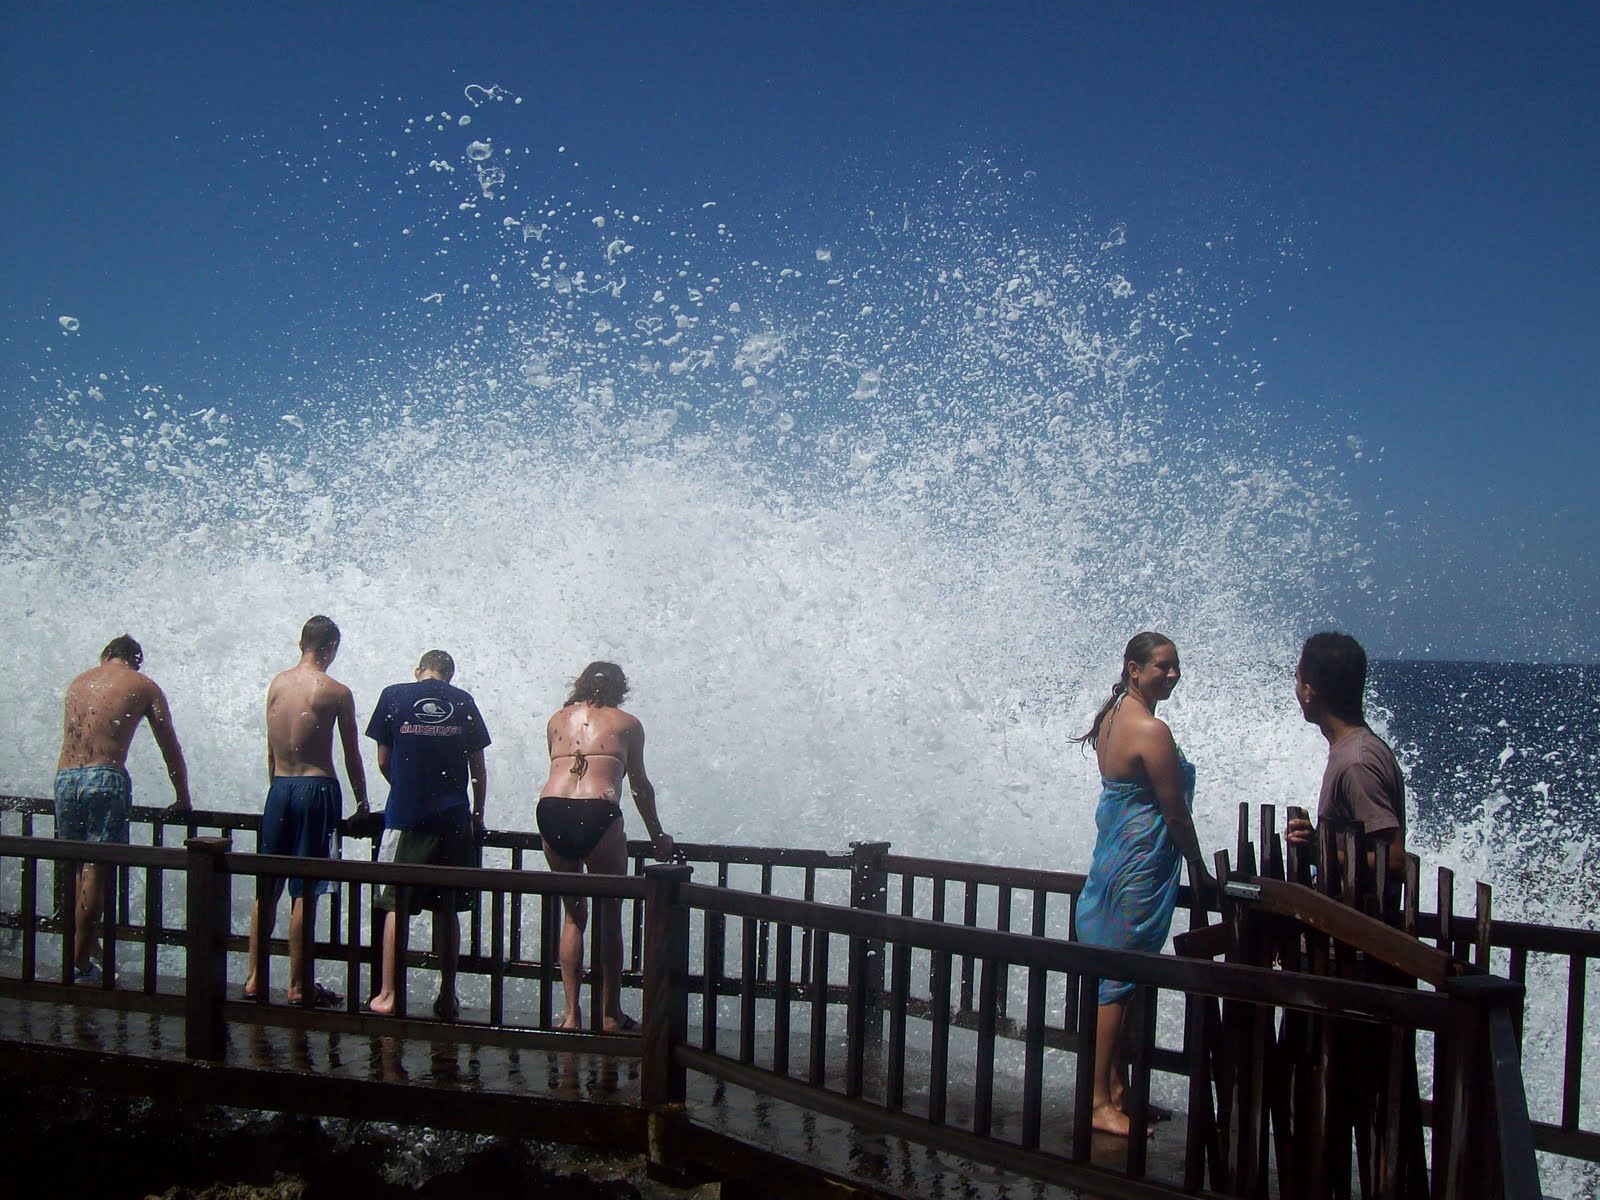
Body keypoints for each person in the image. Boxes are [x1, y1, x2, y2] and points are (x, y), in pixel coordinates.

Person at [1071, 631, 1212, 1137]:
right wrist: (1198, 867)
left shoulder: (1112, 717)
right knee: (1118, 981)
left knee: (1121, 981)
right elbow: (1174, 811)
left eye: (1176, 666)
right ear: (1134, 669)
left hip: (1114, 856)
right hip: (1139, 865)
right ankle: (1098, 1103)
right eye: (1162, 667)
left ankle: (1120, 1091)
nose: (1172, 675)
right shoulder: (1152, 730)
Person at [537, 661, 674, 1032]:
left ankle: (570, 1016)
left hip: (551, 810)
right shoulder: (627, 723)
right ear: (620, 688)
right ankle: (610, 1014)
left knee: (572, 917)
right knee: (608, 916)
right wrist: (658, 836)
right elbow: (639, 787)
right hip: (598, 809)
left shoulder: (555, 720)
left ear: (579, 684)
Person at [245, 615, 369, 1006]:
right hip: (316, 789)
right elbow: (351, 754)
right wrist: (363, 804)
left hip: (280, 787)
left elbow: (270, 748)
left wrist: (276, 790)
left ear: (302, 643)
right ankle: (298, 986)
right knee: (304, 890)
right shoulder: (335, 691)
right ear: (331, 647)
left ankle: (253, 979)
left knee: (267, 886)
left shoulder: (277, 684)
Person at [55, 634, 192, 982]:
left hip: (65, 778)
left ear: (106, 656)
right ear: (136, 660)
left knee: (76, 866)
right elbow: (169, 744)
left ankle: (87, 943)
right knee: (96, 866)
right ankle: (79, 961)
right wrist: (183, 796)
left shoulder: (79, 682)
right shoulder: (143, 685)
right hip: (104, 777)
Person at [366, 650, 491, 1021]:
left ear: (418, 671)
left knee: (395, 907)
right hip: (454, 820)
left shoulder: (393, 695)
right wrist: (477, 815)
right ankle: (447, 995)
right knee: (448, 909)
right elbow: (478, 770)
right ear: (449, 676)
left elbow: (384, 760)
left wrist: (404, 788)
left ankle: (388, 994)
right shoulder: (464, 701)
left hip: (406, 816)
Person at [1285, 632, 1407, 880]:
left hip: (1355, 918)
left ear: (1309, 692)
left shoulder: (1357, 763)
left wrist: (1318, 851)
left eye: (1297, 679)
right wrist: (1319, 840)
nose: (1296, 689)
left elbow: (1394, 859)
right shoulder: (1356, 748)